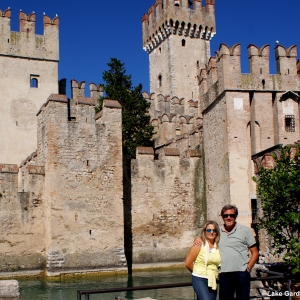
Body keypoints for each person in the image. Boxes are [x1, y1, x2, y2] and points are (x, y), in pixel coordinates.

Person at [194, 205, 259, 300]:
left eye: (231, 215)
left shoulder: (245, 231)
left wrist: (248, 269)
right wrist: (197, 238)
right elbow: (207, 235)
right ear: (222, 217)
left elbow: (255, 253)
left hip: (241, 273)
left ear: (235, 216)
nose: (229, 218)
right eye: (226, 215)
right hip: (224, 274)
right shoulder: (217, 231)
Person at [185, 221, 221, 300]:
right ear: (204, 231)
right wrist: (197, 272)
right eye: (208, 230)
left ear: (217, 232)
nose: (211, 232)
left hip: (212, 279)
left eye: (214, 230)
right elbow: (188, 263)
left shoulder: (218, 246)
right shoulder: (199, 244)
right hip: (200, 278)